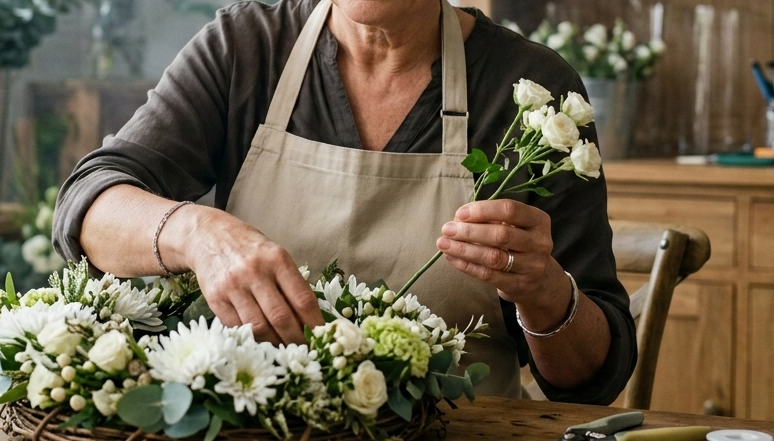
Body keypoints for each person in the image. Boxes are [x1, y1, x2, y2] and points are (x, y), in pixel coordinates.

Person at [53, 0, 636, 403]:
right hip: (259, 422)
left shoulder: (532, 91)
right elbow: (88, 203)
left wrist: (543, 289)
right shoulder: (247, 47)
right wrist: (198, 234)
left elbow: (593, 379)